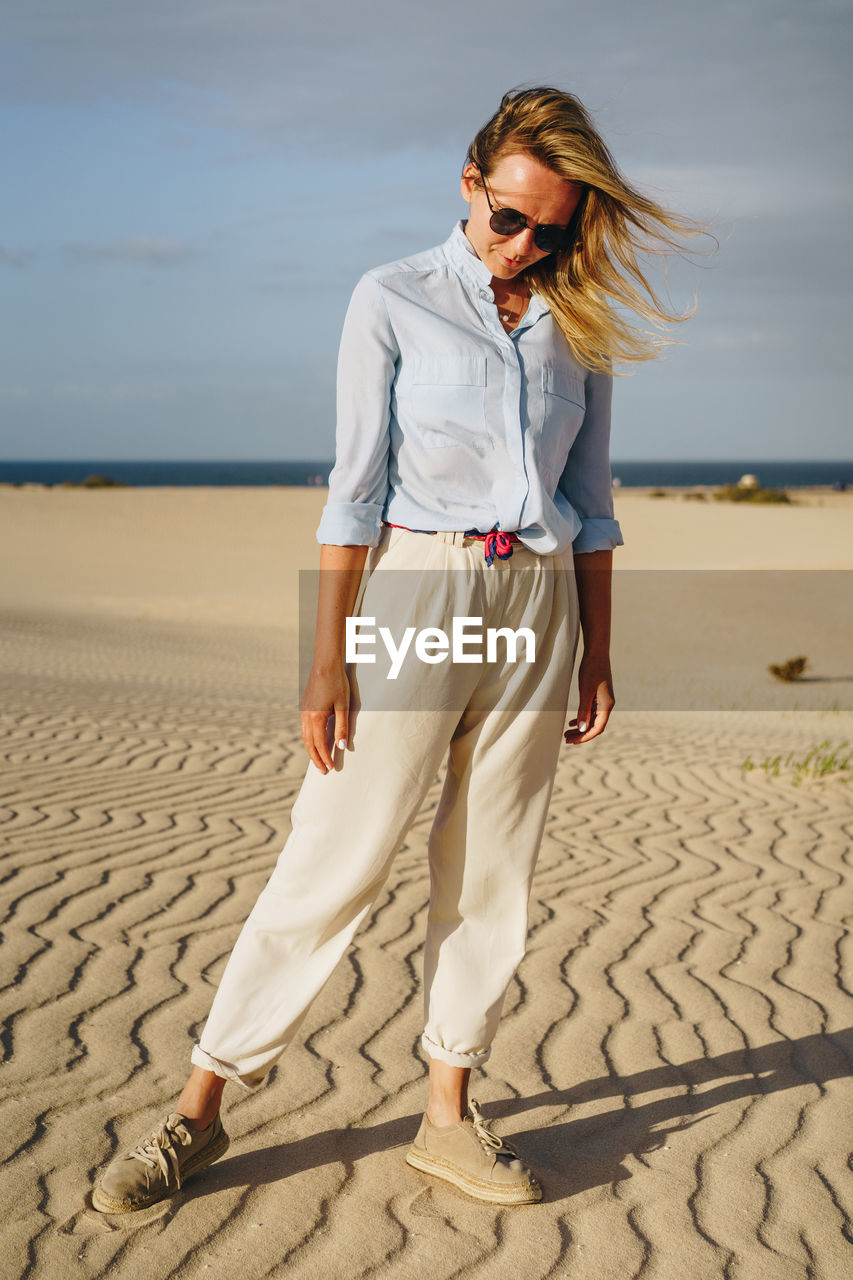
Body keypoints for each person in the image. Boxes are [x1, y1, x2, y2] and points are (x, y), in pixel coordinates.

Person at [93, 86, 703, 1213]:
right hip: (420, 588)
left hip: (540, 604)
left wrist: (596, 649)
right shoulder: (391, 298)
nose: (526, 244)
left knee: (490, 873)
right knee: (336, 854)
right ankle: (198, 1109)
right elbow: (353, 493)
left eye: (552, 228)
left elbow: (595, 503)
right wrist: (327, 660)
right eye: (509, 217)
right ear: (468, 185)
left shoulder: (576, 324)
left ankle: (446, 1116)